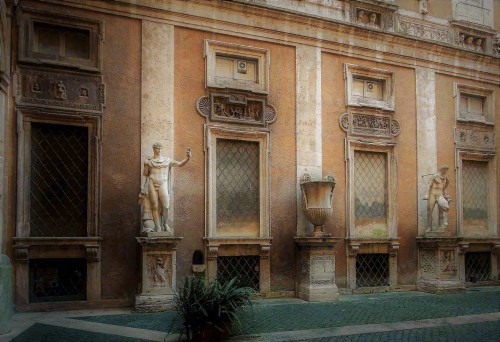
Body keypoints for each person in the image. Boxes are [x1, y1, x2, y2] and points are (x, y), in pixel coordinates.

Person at [138, 142, 191, 233]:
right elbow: (145, 174)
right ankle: (158, 227)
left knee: (166, 205)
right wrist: (142, 186)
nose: (159, 150)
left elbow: (179, 164)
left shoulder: (167, 160)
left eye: (160, 148)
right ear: (154, 149)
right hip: (152, 182)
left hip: (163, 183)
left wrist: (187, 158)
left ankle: (165, 223)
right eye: (157, 148)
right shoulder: (148, 161)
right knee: (154, 206)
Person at [426, 165, 451, 230]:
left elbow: (444, 188)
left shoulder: (446, 179)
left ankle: (441, 226)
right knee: (429, 211)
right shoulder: (435, 176)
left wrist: (446, 195)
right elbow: (429, 185)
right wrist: (426, 194)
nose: (445, 171)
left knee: (444, 209)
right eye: (444, 169)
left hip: (440, 195)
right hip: (433, 194)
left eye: (446, 170)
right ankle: (429, 227)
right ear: (441, 169)